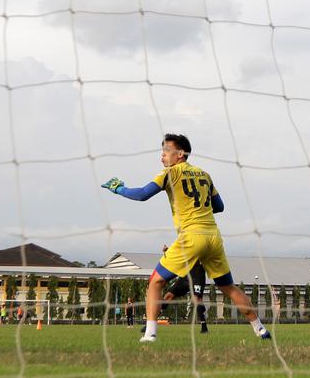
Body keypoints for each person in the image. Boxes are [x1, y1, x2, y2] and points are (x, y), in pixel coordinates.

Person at [102, 133, 269, 343]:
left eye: (166, 151)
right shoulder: (204, 174)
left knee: (155, 282)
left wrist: (119, 188)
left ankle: (150, 334)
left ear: (180, 154)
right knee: (228, 287)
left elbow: (142, 194)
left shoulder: (170, 173)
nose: (162, 156)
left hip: (191, 237)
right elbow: (219, 206)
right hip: (213, 237)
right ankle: (261, 329)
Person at [162, 260, 209, 334]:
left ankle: (204, 327)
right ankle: (150, 324)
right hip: (185, 274)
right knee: (168, 295)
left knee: (196, 299)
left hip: (197, 275)